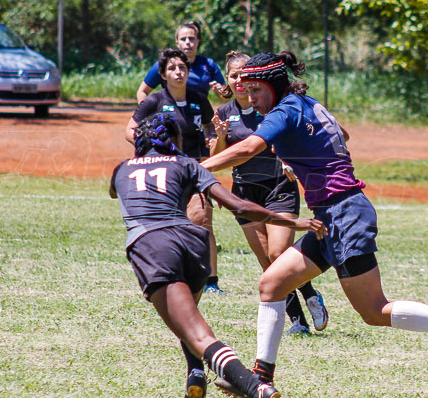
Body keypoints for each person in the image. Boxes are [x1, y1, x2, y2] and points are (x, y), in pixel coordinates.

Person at [201, 52, 428, 394]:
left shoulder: (285, 109)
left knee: (374, 310)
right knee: (271, 284)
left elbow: (247, 149)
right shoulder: (303, 102)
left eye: (256, 90)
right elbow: (341, 133)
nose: (250, 99)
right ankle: (260, 381)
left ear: (273, 85)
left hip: (344, 213)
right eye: (246, 90)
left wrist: (198, 168)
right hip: (329, 216)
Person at [111, 113, 324, 398]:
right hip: (194, 244)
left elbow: (117, 192)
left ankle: (258, 390)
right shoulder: (188, 165)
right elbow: (238, 206)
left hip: (154, 245)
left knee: (197, 333)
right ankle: (195, 374)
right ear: (176, 141)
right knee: (189, 317)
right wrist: (294, 222)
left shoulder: (122, 169)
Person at [210, 51, 329, 335]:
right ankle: (298, 322)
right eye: (234, 75)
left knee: (279, 253)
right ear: (227, 79)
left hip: (278, 186)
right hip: (245, 192)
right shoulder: (224, 113)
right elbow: (219, 155)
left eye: (245, 75)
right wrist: (222, 137)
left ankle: (310, 293)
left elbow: (287, 138)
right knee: (267, 263)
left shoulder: (272, 107)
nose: (239, 81)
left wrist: (290, 162)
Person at [126, 48, 223, 294]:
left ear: (188, 71)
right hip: (166, 173)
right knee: (168, 223)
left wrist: (214, 138)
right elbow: (130, 130)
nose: (178, 72)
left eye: (182, 68)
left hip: (195, 168)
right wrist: (151, 150)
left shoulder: (198, 98)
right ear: (162, 74)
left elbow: (210, 127)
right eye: (172, 68)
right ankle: (171, 273)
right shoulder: (155, 101)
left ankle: (210, 281)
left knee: (202, 221)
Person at [135, 21, 227, 134]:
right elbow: (142, 91)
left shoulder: (208, 64)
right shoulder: (164, 65)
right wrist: (147, 116)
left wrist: (219, 92)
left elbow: (225, 97)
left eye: (191, 38)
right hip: (170, 117)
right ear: (177, 42)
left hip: (199, 117)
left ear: (198, 41)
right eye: (183, 39)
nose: (188, 42)